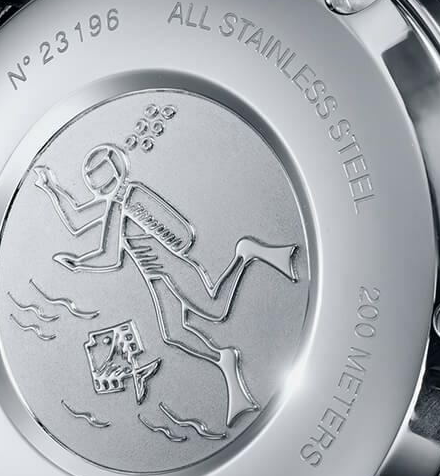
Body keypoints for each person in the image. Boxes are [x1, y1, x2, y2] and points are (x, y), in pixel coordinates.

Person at [33, 144, 299, 426]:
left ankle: (246, 253)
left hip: (172, 269)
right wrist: (51, 187)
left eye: (103, 178)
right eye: (96, 181)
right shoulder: (117, 202)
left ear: (115, 173)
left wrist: (78, 263)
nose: (101, 185)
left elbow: (110, 256)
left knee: (216, 309)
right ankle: (226, 362)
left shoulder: (126, 201)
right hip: (157, 276)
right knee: (174, 334)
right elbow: (77, 220)